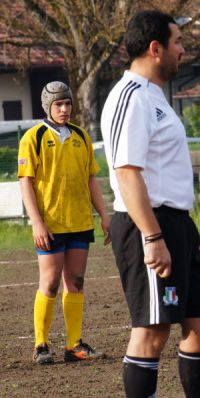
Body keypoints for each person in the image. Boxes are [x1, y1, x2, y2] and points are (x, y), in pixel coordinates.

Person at [100, 10, 200, 397]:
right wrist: (153, 237)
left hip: (178, 224)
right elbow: (127, 172)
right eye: (178, 42)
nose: (182, 50)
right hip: (149, 226)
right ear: (155, 48)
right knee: (152, 332)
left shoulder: (154, 97)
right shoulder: (130, 97)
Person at [18, 81, 110, 365]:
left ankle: (74, 345)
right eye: (58, 104)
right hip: (51, 224)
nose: (64, 108)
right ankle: (41, 345)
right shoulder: (33, 137)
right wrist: (36, 222)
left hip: (80, 222)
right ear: (48, 106)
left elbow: (91, 180)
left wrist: (105, 215)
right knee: (50, 283)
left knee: (76, 282)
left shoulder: (81, 137)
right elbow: (26, 182)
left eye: (68, 103)